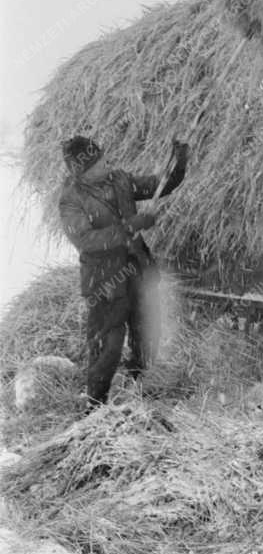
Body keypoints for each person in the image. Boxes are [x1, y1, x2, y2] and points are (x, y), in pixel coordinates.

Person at [58, 136, 188, 407]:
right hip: (104, 281)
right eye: (98, 161)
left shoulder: (119, 179)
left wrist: (177, 163)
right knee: (108, 345)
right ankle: (95, 405)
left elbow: (157, 185)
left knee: (145, 331)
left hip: (136, 269)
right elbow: (86, 240)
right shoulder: (71, 200)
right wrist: (131, 226)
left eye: (103, 157)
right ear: (83, 170)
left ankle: (141, 389)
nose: (106, 162)